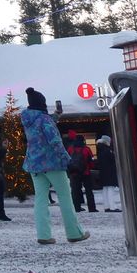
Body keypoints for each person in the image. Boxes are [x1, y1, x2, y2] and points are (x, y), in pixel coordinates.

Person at [20, 88, 88, 245]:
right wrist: (67, 159)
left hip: (34, 164)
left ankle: (43, 235)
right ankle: (74, 233)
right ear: (42, 103)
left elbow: (43, 124)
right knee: (65, 197)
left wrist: (56, 116)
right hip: (53, 164)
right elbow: (55, 141)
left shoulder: (28, 120)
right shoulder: (45, 119)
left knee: (41, 199)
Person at [66, 132, 98, 213]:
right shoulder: (86, 149)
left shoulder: (70, 149)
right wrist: (90, 167)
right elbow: (91, 162)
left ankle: (76, 207)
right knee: (89, 191)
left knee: (75, 191)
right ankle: (91, 208)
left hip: (74, 173)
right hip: (85, 172)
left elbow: (67, 160)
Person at [95, 135, 121, 212]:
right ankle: (112, 206)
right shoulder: (108, 150)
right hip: (110, 172)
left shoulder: (100, 149)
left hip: (103, 172)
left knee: (105, 189)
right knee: (110, 190)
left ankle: (107, 206)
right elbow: (113, 160)